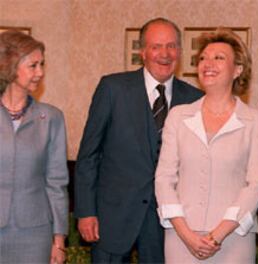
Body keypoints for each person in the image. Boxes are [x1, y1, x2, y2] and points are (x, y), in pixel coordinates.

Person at [74, 17, 203, 263]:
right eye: (156, 46)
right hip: (112, 219)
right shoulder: (112, 89)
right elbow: (89, 155)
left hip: (168, 223)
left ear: (180, 51)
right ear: (142, 51)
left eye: (172, 46)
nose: (165, 54)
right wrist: (86, 212)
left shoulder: (195, 99)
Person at [155, 28, 258, 263]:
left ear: (238, 69)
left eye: (219, 58)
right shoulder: (178, 116)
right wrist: (186, 234)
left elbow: (256, 186)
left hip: (233, 239)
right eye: (203, 58)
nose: (208, 63)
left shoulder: (257, 121)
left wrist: (217, 235)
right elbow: (164, 179)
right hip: (181, 238)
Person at [0, 30, 69, 263]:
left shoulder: (51, 118)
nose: (40, 72)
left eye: (42, 65)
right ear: (10, 66)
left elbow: (56, 183)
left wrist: (58, 241)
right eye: (33, 65)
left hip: (34, 234)